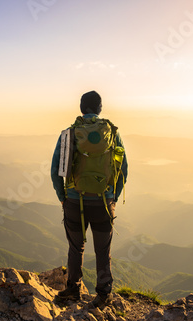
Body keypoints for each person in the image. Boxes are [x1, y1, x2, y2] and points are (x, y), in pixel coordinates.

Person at [50, 90, 128, 308]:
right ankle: (104, 294)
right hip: (104, 202)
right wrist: (112, 196)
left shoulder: (69, 133)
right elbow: (123, 168)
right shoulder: (111, 132)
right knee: (103, 250)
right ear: (100, 108)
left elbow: (56, 169)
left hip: (75, 201)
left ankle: (73, 289)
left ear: (81, 107)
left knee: (76, 247)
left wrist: (63, 197)